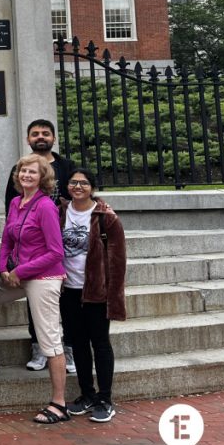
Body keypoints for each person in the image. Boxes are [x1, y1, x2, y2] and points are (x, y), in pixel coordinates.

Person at [0, 154, 69, 424]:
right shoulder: (16, 202)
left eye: (33, 172)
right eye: (23, 171)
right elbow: (6, 240)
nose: (26, 175)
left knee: (49, 340)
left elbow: (55, 252)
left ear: (42, 178)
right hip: (16, 275)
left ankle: (59, 403)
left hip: (44, 277)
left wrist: (20, 272)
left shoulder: (46, 207)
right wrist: (3, 269)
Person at [4, 119, 76, 371]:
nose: (40, 137)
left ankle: (67, 348)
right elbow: (10, 213)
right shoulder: (20, 170)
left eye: (46, 133)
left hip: (64, 242)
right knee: (36, 298)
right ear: (28, 139)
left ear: (54, 138)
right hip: (31, 247)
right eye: (35, 134)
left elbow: (82, 194)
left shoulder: (67, 166)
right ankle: (39, 347)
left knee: (60, 299)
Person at [61, 168, 127, 423]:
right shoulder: (61, 212)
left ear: (92, 187)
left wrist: (114, 295)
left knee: (99, 342)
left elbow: (118, 259)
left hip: (96, 291)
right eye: (73, 182)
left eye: (84, 183)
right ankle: (86, 394)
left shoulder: (105, 216)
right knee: (77, 343)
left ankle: (105, 398)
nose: (78, 187)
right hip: (69, 290)